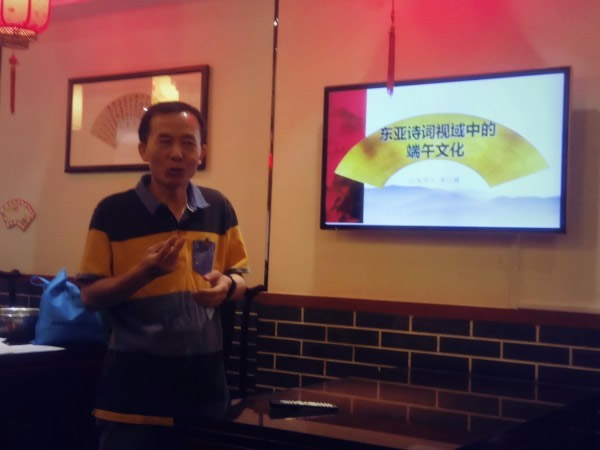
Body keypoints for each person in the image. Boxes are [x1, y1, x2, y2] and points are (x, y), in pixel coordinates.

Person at [77, 101, 249, 450]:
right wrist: (144, 273)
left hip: (205, 395)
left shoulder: (218, 207)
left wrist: (227, 286)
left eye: (188, 143)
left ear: (201, 152)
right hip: (132, 399)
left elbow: (239, 277)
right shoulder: (113, 212)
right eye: (165, 141)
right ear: (144, 150)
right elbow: (90, 296)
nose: (176, 154)